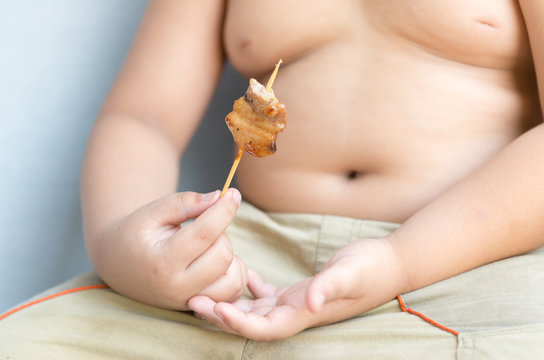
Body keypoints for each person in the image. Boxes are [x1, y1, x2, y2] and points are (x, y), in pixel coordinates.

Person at [2, 0, 544, 358]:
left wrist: (400, 259)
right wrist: (123, 244)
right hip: (244, 265)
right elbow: (143, 117)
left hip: (466, 264)